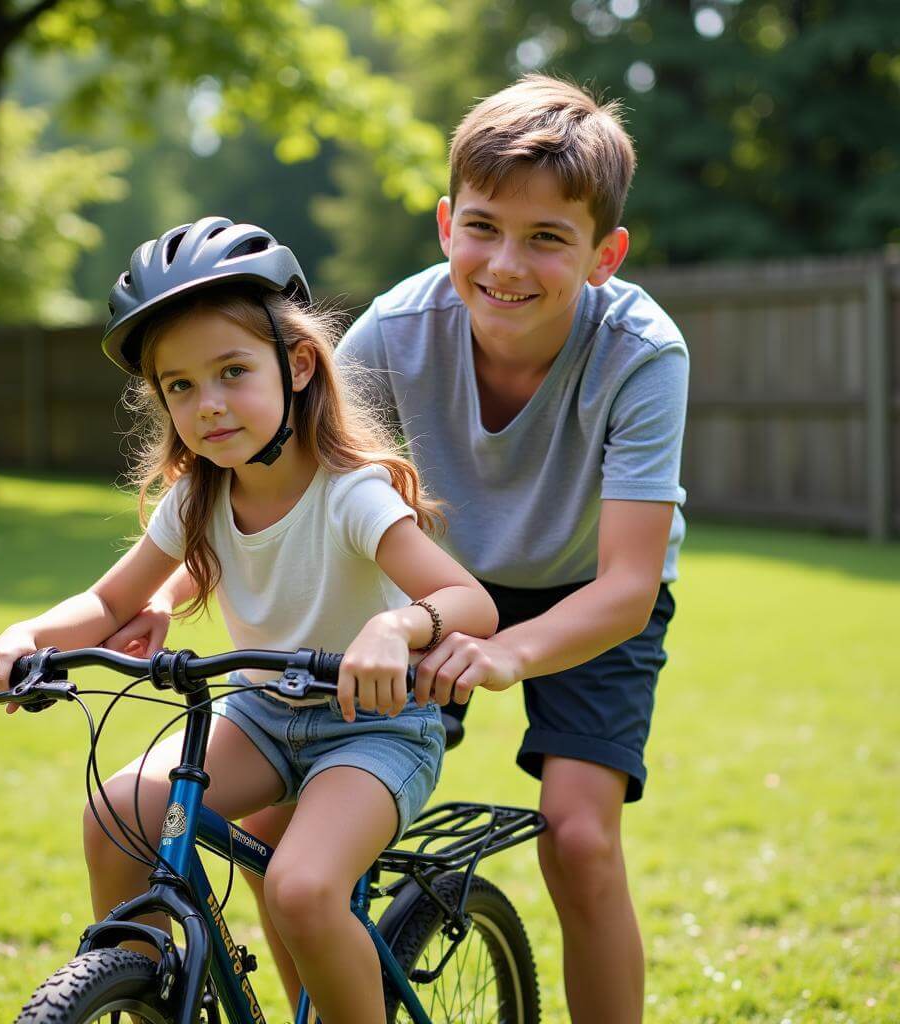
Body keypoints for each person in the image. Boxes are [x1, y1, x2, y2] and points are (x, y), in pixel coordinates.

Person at [218, 74, 687, 1023]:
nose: (506, 262)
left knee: (581, 839)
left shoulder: (643, 353)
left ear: (605, 254)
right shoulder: (390, 336)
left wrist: (509, 651)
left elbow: (632, 583)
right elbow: (297, 497)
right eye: (483, 226)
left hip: (586, 591)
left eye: (547, 237)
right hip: (431, 582)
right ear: (445, 225)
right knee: (276, 825)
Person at [0, 216, 498, 1024]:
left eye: (230, 371)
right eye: (180, 386)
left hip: (377, 728)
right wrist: (26, 637)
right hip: (259, 714)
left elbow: (471, 603)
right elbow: (110, 602)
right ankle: (143, 994)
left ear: (294, 366)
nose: (208, 405)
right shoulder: (199, 496)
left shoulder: (349, 490)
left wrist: (396, 630)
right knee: (119, 815)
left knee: (302, 885)